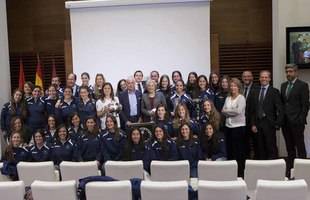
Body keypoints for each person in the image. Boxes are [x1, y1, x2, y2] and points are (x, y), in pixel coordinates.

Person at [280, 64, 309, 174]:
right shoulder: (283, 86)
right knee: (289, 147)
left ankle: (303, 170)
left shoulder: (303, 85)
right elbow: (283, 104)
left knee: (300, 147)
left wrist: (301, 119)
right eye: (287, 72)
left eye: (291, 71)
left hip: (297, 122)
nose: (288, 74)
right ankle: (290, 170)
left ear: (296, 72)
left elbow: (305, 105)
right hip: (286, 122)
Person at [251, 70, 283, 160]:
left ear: (269, 79)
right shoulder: (255, 91)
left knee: (271, 147)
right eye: (262, 77)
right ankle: (262, 170)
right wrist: (253, 124)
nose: (264, 79)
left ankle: (273, 170)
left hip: (269, 124)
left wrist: (277, 124)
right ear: (259, 78)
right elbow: (252, 110)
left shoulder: (274, 91)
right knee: (259, 148)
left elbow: (280, 109)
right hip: (257, 124)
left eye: (266, 77)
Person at [222, 78, 246, 177]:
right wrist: (231, 111)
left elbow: (238, 111)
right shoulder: (227, 98)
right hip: (228, 128)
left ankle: (240, 174)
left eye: (235, 86)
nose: (232, 88)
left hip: (239, 128)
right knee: (230, 151)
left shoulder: (241, 98)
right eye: (231, 86)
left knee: (239, 152)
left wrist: (228, 111)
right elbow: (223, 110)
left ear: (238, 87)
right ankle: (231, 174)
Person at [241, 71, 258, 159]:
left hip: (252, 121)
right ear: (242, 78)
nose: (246, 78)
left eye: (248, 76)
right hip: (241, 121)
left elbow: (257, 108)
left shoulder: (257, 89)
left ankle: (255, 164)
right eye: (244, 76)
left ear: (252, 77)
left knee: (255, 144)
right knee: (244, 144)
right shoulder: (239, 89)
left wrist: (254, 123)